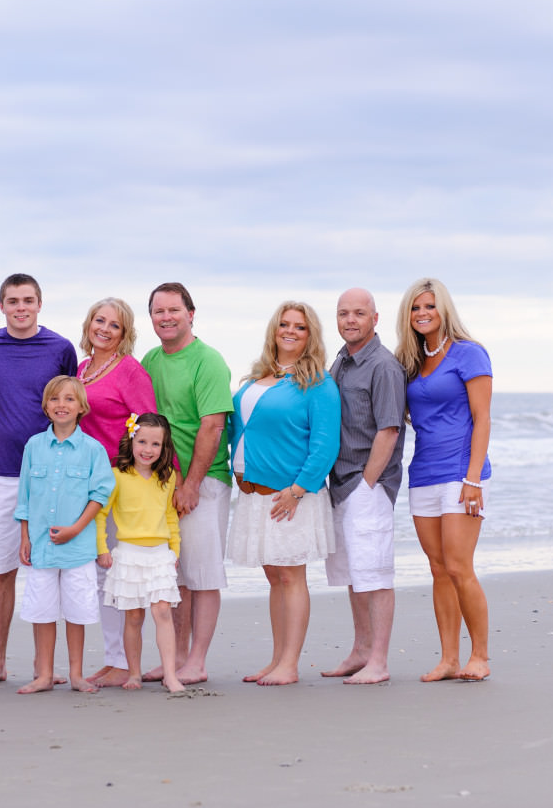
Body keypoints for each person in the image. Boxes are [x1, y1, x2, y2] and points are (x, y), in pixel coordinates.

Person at [0, 274, 78, 686]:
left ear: (39, 304)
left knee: (50, 569)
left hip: (51, 474)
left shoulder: (60, 348)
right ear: (2, 306)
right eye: (12, 301)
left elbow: (70, 404)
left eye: (28, 300)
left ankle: (44, 666)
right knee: (1, 570)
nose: (20, 307)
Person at [227, 301, 340, 686]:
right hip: (253, 494)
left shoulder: (318, 383)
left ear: (311, 336)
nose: (290, 331)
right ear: (274, 330)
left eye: (300, 327)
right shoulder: (257, 378)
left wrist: (297, 490)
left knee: (292, 577)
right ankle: (276, 659)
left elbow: (325, 445)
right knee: (274, 577)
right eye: (284, 324)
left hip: (289, 497)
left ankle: (290, 664)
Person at [394, 277, 493, 682]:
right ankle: (449, 659)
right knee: (437, 568)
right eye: (416, 308)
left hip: (460, 473)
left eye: (429, 307)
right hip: (424, 474)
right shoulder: (411, 361)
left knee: (458, 565)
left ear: (444, 309)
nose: (422, 314)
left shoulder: (469, 354)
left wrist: (473, 479)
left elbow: (483, 418)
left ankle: (480, 657)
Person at [141, 282, 234, 685]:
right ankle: (175, 655)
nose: (166, 318)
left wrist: (192, 484)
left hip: (205, 481)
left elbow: (213, 425)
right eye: (158, 311)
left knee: (202, 573)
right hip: (162, 485)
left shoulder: (207, 361)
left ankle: (197, 660)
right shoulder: (149, 359)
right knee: (175, 575)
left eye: (173, 310)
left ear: (190, 314)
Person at [321, 288, 407, 685]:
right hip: (339, 483)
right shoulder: (341, 360)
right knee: (355, 572)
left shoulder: (383, 366)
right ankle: (360, 650)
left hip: (365, 484)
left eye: (358, 313)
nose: (350, 320)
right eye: (343, 313)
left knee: (375, 573)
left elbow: (389, 430)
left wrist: (368, 484)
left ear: (375, 317)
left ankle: (379, 660)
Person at [75, 298, 158, 688]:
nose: (104, 329)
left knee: (119, 573)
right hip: (88, 484)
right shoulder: (82, 369)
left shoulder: (130, 371)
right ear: (89, 323)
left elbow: (149, 430)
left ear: (125, 334)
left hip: (120, 482)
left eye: (115, 325)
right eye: (99, 320)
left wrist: (142, 482)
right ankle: (113, 658)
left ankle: (128, 662)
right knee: (99, 574)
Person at [14, 376, 115, 694]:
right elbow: (25, 496)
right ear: (46, 406)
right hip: (42, 548)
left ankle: (76, 674)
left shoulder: (92, 449)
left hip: (78, 548)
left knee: (77, 612)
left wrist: (75, 529)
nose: (62, 405)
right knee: (42, 611)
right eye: (55, 399)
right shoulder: (34, 446)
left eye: (70, 399)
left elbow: (101, 493)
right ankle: (43, 674)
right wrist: (25, 537)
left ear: (82, 406)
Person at [95, 413, 184, 693]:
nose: (148, 449)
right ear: (131, 441)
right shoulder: (117, 476)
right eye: (142, 441)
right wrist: (102, 549)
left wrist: (175, 550)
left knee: (163, 612)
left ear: (164, 447)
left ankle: (170, 674)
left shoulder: (166, 478)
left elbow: (170, 516)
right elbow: (101, 515)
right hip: (129, 554)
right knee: (133, 617)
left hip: (160, 554)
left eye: (155, 444)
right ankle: (133, 673)